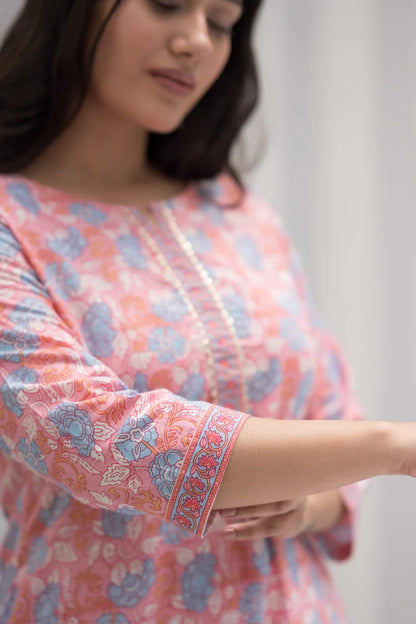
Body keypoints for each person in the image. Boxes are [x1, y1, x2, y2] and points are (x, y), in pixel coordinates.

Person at [0, 1, 415, 622]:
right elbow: (92, 438)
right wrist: (395, 447)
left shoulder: (236, 212)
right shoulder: (11, 223)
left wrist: (307, 505)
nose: (196, 41)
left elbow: (331, 416)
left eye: (220, 23)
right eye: (167, 3)